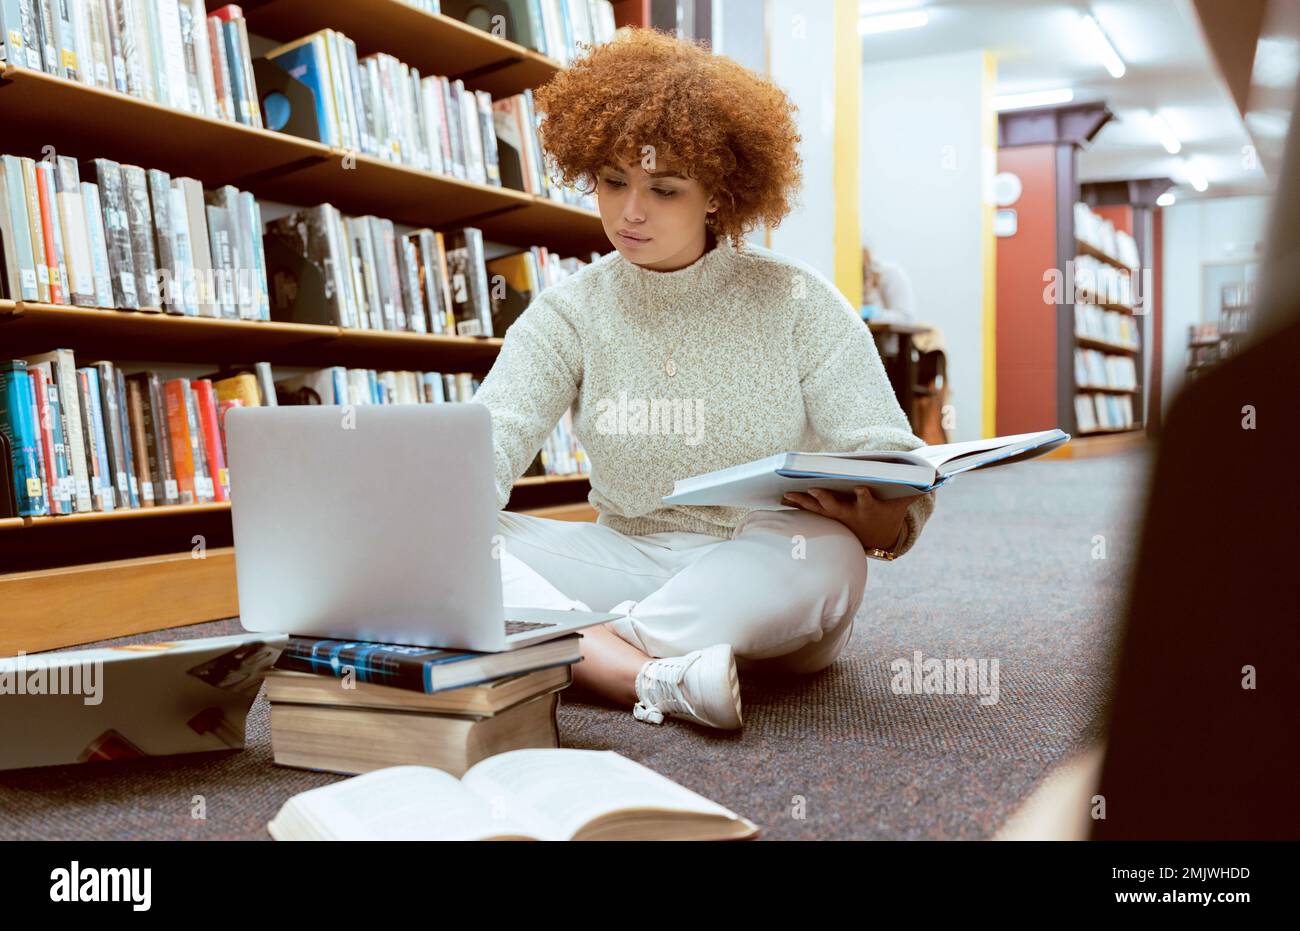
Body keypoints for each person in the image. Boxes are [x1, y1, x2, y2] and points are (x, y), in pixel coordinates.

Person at [471, 29, 936, 732]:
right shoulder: (567, 311)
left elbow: (890, 475)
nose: (630, 211)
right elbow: (489, 442)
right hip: (625, 554)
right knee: (447, 536)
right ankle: (653, 673)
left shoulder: (798, 301)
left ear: (717, 194)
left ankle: (583, 651)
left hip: (763, 566)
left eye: (663, 188)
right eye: (611, 181)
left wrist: (878, 518)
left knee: (833, 555)